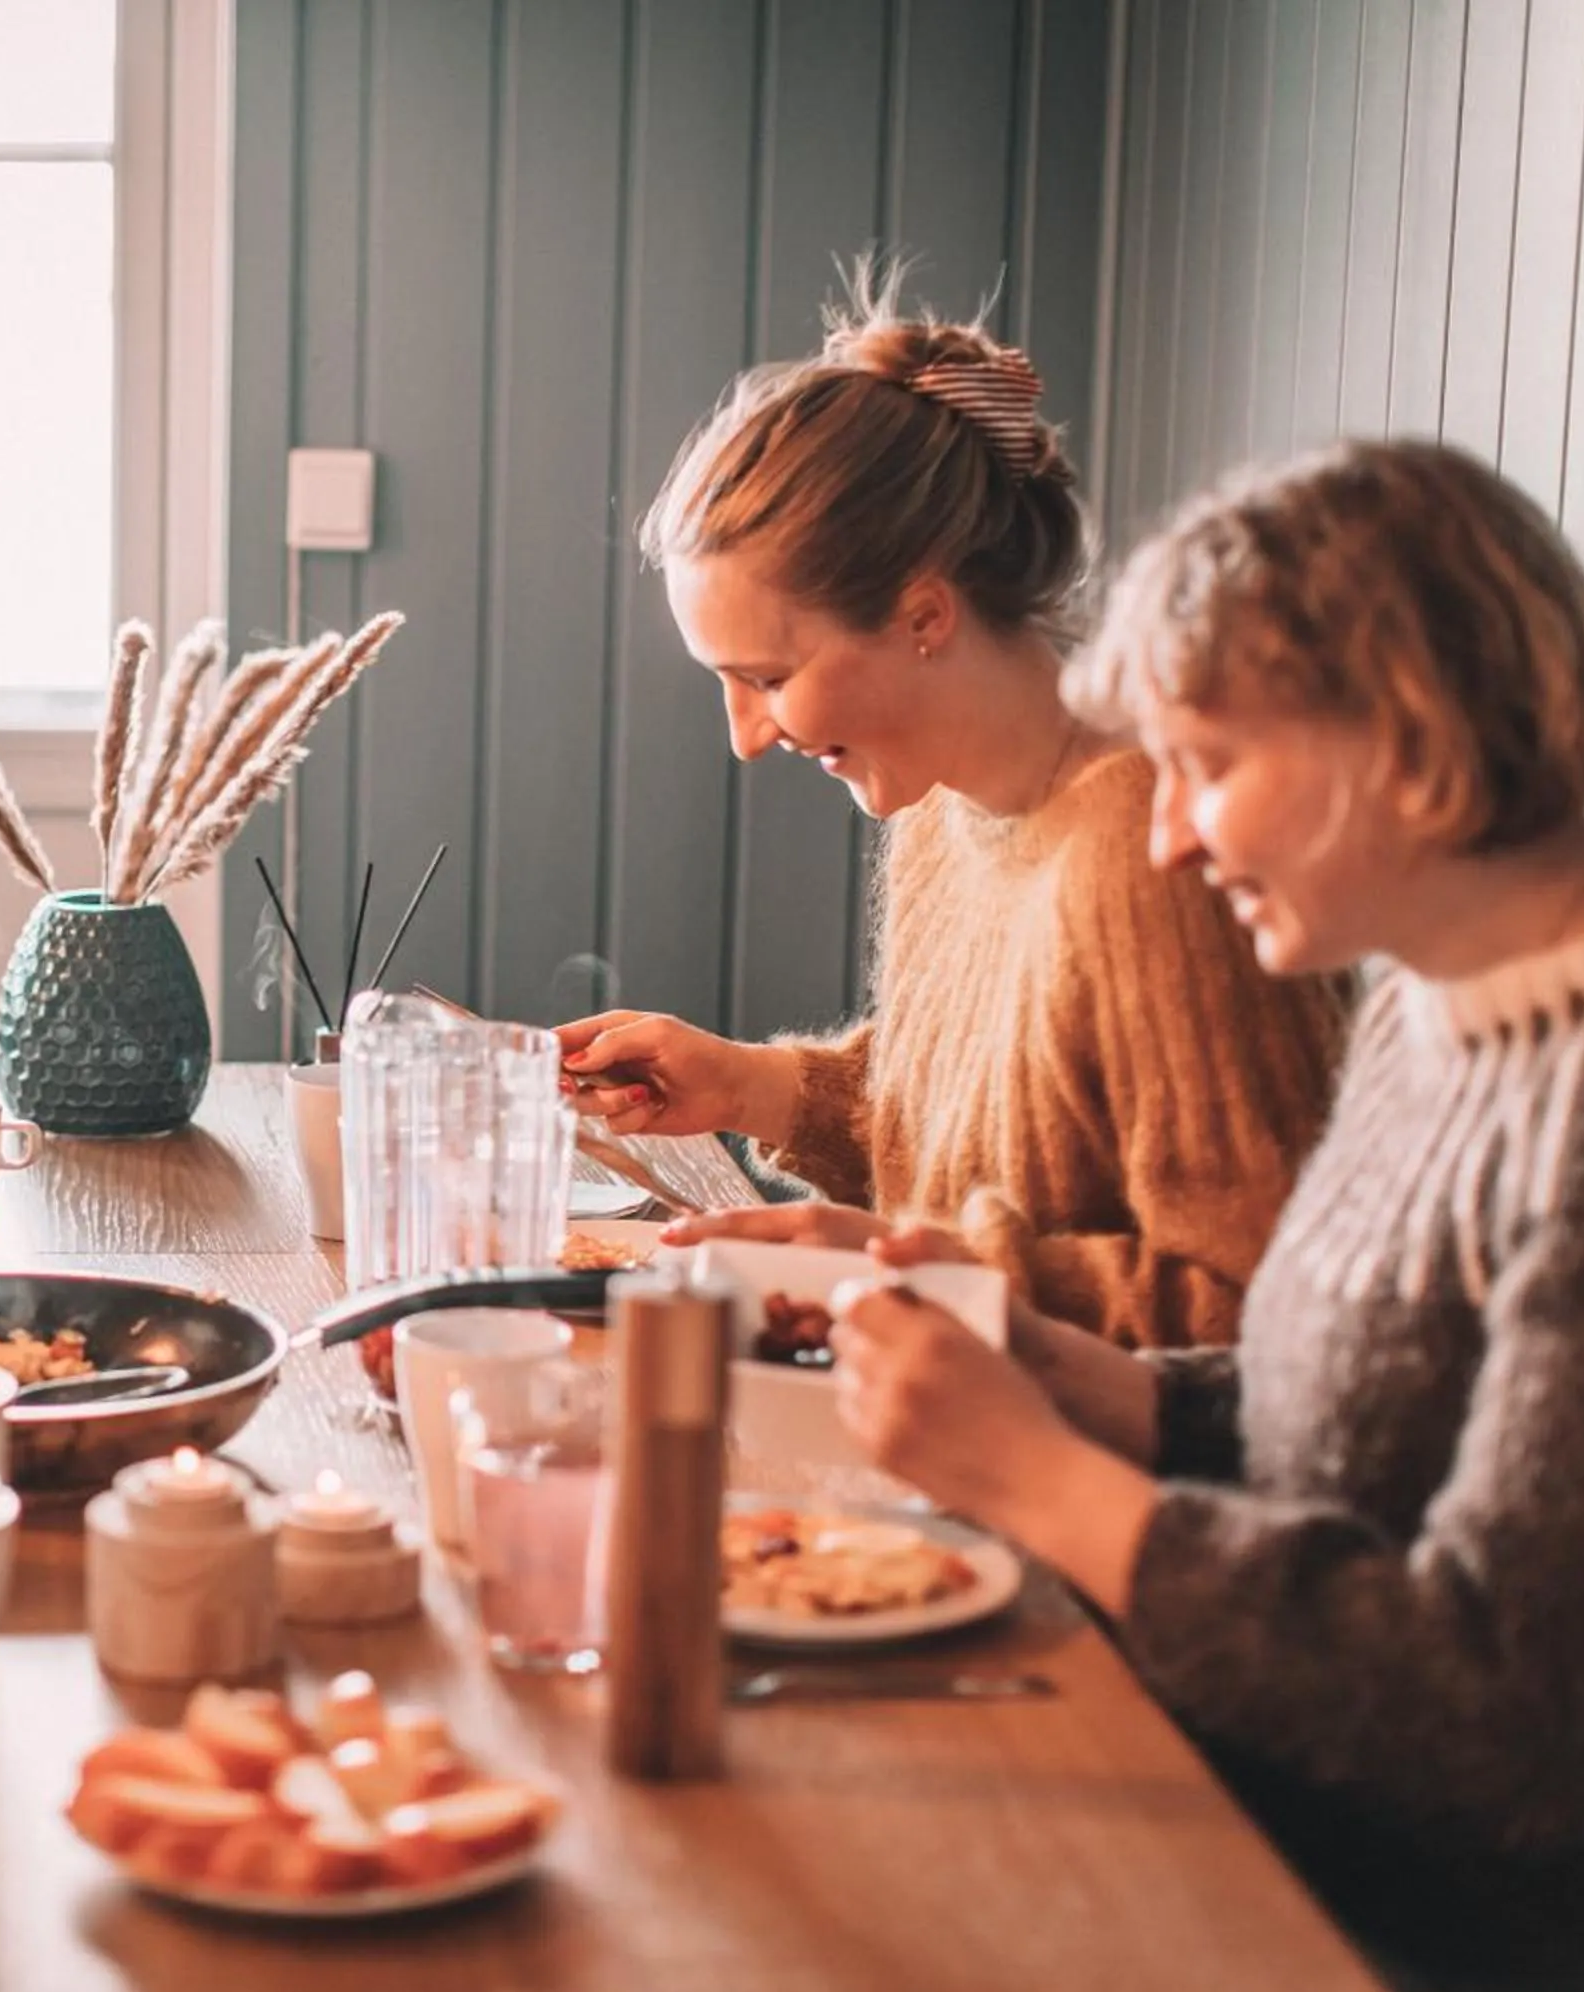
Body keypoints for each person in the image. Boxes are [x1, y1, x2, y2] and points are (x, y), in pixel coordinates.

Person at [831, 438, 1584, 1989]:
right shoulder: (1436, 1005)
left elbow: (1519, 1721)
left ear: (1407, 728)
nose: (1167, 834)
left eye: (1210, 763)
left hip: (1432, 1933)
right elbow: (1357, 1420)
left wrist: (1046, 1485)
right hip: (1275, 1810)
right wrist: (1075, 1376)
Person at [562, 276, 1345, 1349]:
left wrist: (941, 1279)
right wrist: (749, 1082)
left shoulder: (1159, 854)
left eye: (769, 676)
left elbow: (1269, 1311)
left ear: (925, 611)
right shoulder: (939, 803)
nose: (746, 734)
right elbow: (987, 1126)